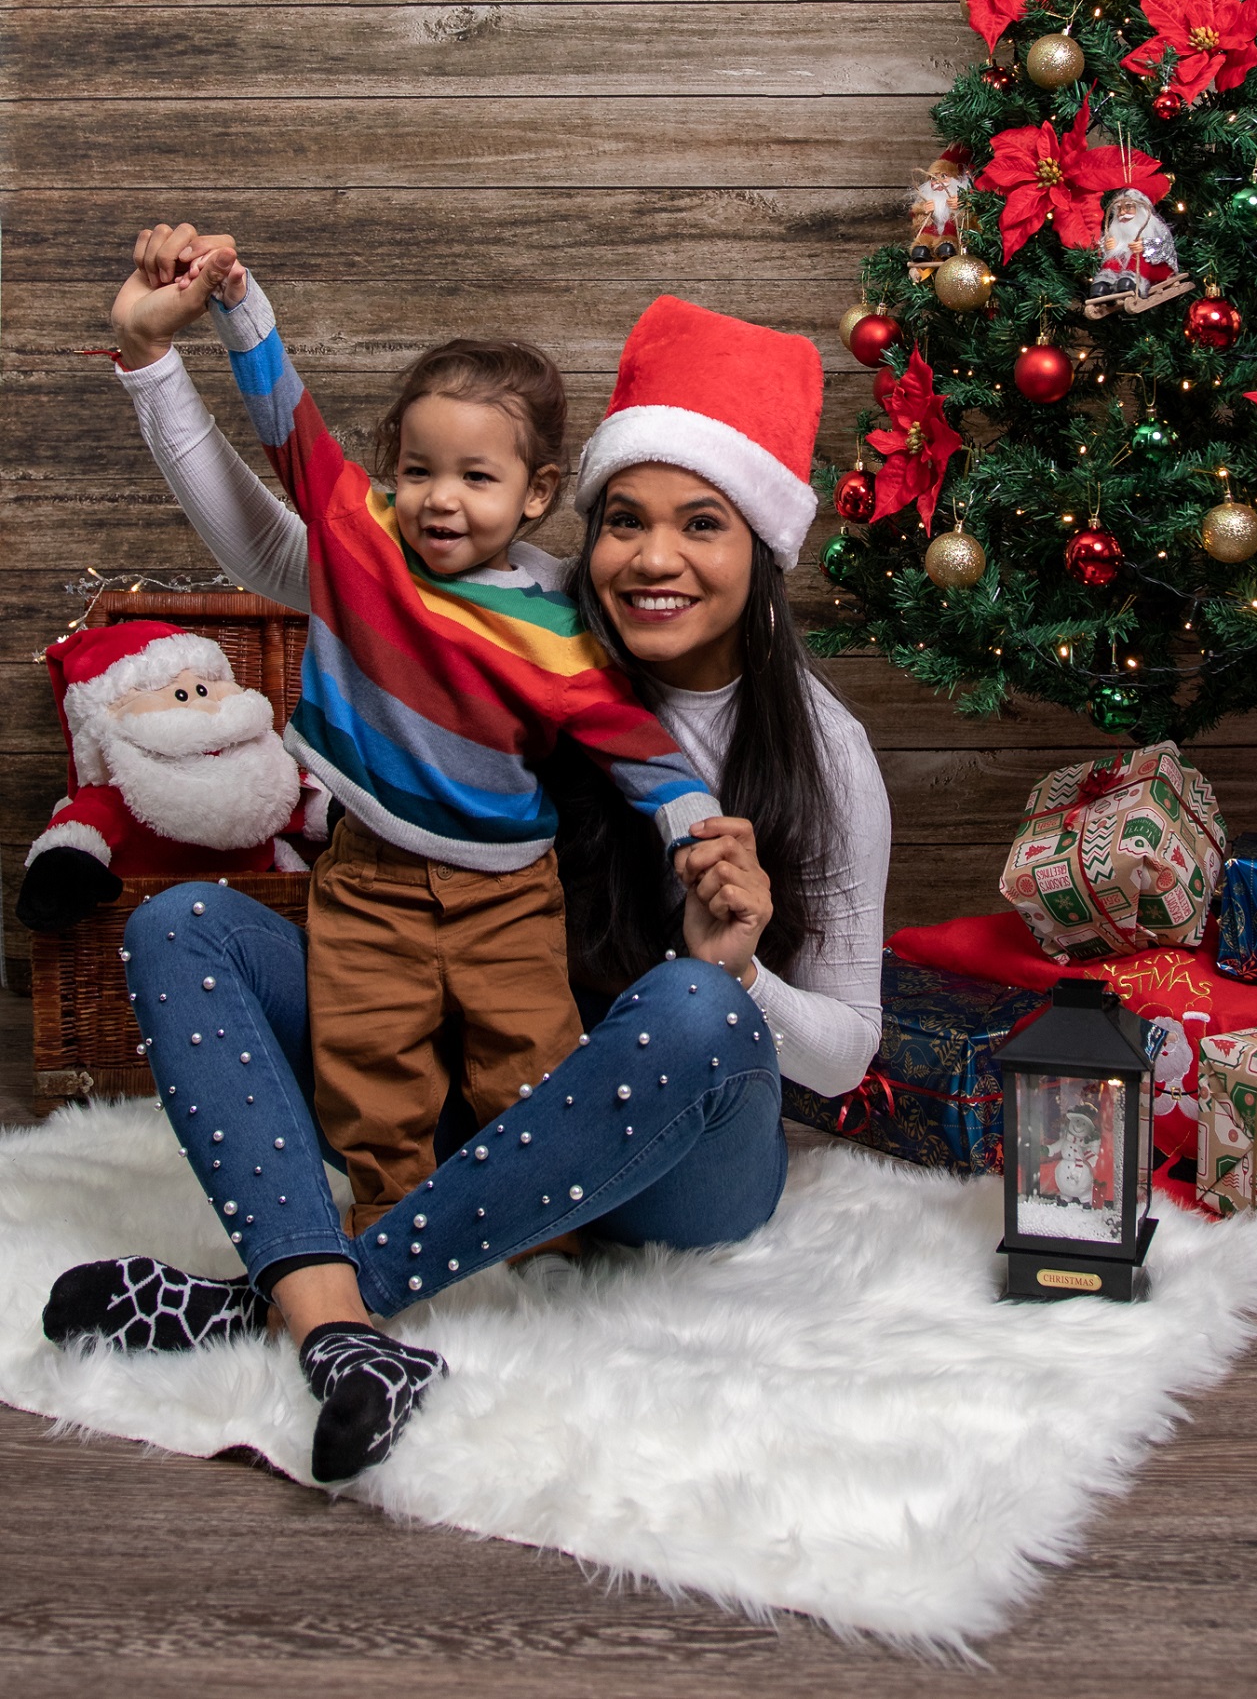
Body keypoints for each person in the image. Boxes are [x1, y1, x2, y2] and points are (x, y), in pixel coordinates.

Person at [45, 227, 889, 1490]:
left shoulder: (823, 751)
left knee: (698, 1006)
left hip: (667, 1164)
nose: (654, 560)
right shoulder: (520, 606)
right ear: (569, 517)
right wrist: (154, 362)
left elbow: (851, 1048)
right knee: (183, 928)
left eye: (701, 524)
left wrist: (747, 974)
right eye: (626, 521)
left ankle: (310, 1306)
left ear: (762, 550)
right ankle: (341, 1325)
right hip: (461, 1092)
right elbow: (292, 549)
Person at [131, 238, 721, 1247]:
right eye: (417, 469)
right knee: (370, 1074)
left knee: (534, 1069)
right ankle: (395, 1233)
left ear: (535, 493)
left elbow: (630, 740)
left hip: (509, 898)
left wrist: (693, 823)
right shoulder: (361, 544)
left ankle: (544, 1240)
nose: (440, 497)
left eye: (475, 476)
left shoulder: (558, 622)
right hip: (368, 885)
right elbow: (286, 421)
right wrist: (236, 302)